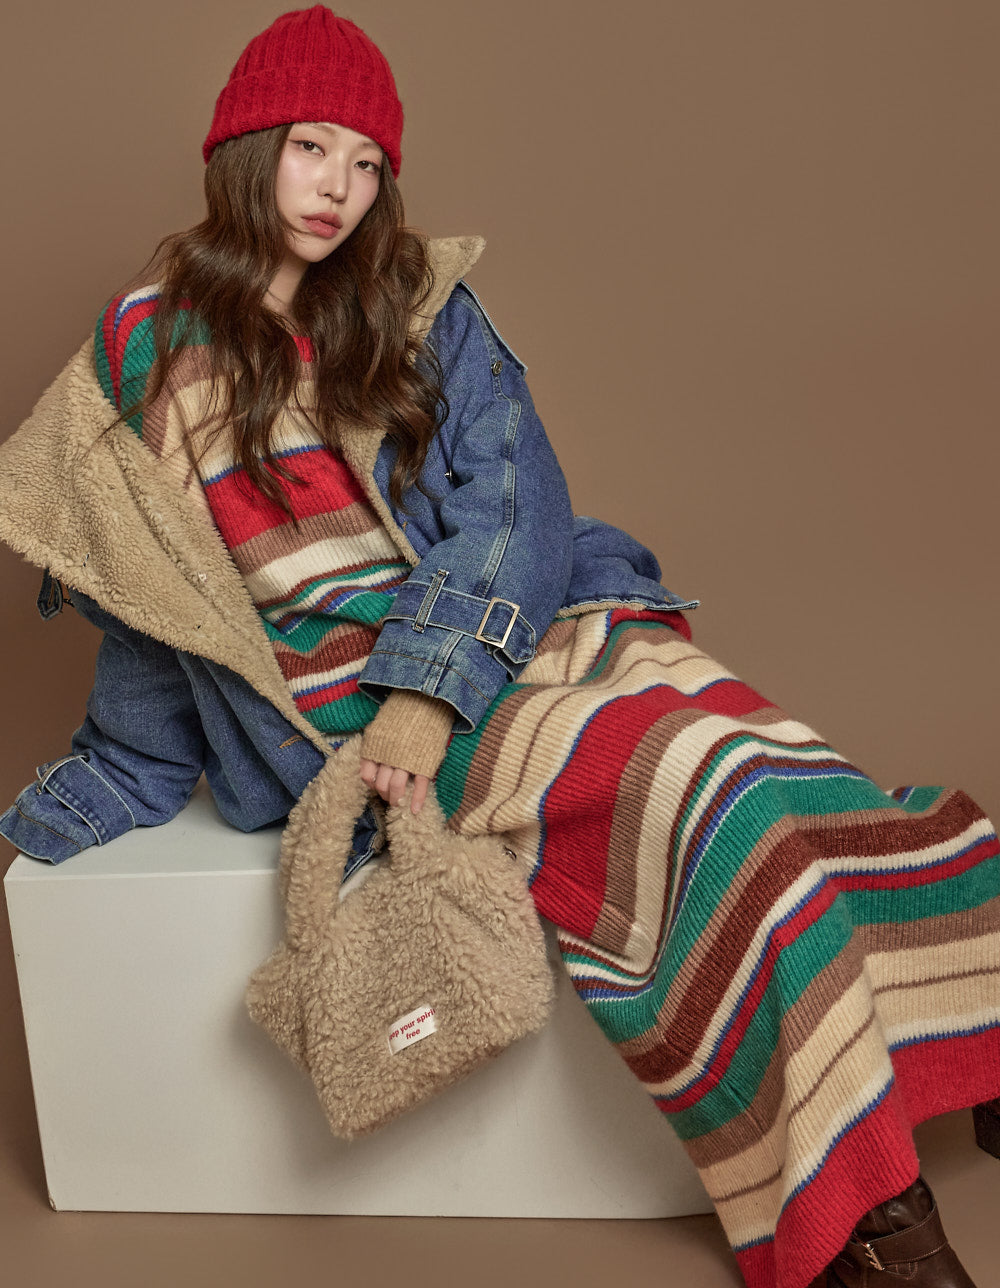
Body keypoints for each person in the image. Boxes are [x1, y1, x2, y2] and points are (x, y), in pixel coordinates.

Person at [0, 8, 997, 1287]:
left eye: (367, 162)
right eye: (310, 148)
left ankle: (979, 1021)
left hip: (493, 628)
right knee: (702, 798)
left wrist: (430, 689)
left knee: (777, 761)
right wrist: (110, 781)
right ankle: (870, 1218)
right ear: (244, 149)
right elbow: (143, 589)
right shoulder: (141, 349)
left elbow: (517, 505)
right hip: (329, 710)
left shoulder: (416, 302)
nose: (339, 187)